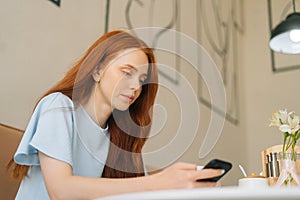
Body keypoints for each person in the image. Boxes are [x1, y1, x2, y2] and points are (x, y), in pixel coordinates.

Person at [7, 30, 223, 199]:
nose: (135, 87)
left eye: (141, 80)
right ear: (98, 70)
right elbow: (61, 191)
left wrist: (189, 186)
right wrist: (161, 181)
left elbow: (142, 192)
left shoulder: (119, 137)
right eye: (127, 73)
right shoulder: (58, 108)